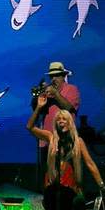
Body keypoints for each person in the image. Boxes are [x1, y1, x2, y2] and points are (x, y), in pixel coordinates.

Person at [27, 102, 105, 210]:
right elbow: (30, 127)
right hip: (51, 190)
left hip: (69, 190)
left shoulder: (78, 142)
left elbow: (90, 164)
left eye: (64, 119)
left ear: (70, 122)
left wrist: (101, 185)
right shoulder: (51, 138)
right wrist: (39, 108)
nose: (61, 121)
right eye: (58, 119)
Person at [34, 62, 80, 190]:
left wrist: (56, 94)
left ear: (63, 76)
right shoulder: (48, 93)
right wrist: (39, 96)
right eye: (52, 76)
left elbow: (69, 108)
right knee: (48, 181)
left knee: (66, 180)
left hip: (65, 142)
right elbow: (35, 110)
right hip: (47, 142)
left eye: (57, 75)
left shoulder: (72, 89)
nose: (53, 79)